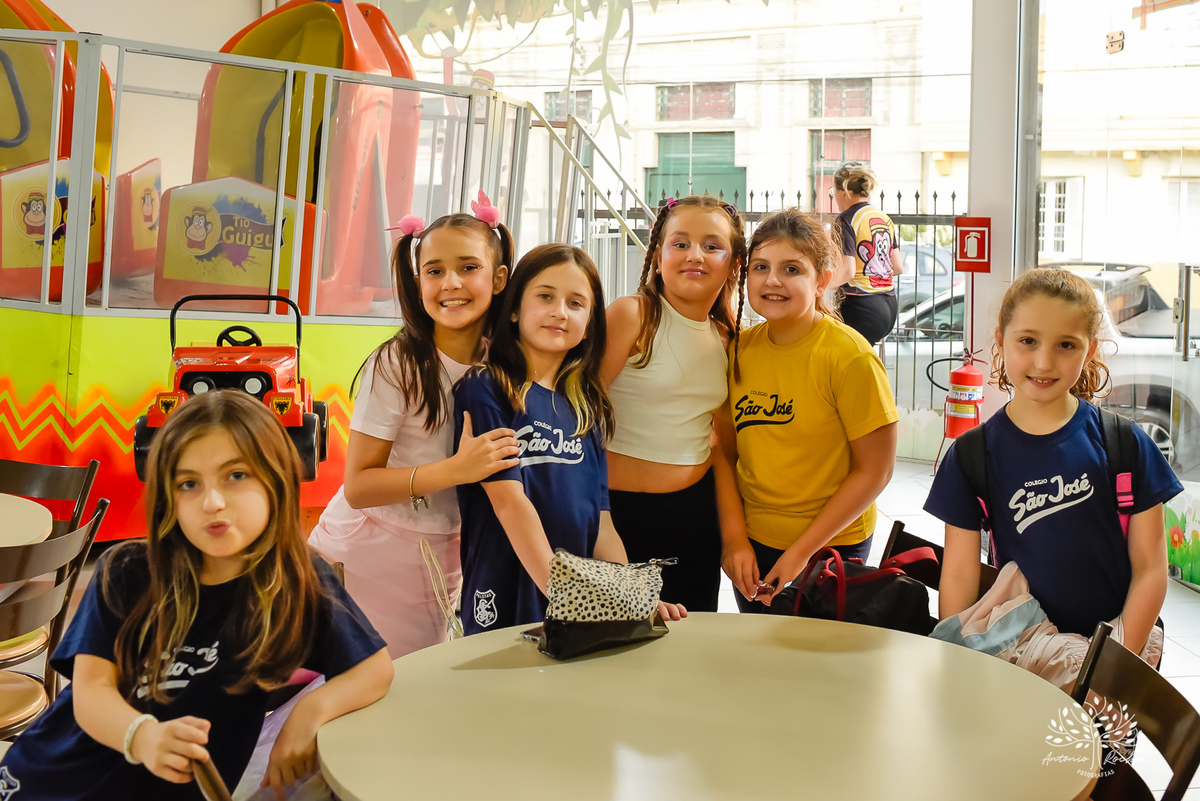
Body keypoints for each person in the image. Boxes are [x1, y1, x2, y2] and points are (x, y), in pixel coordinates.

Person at [0, 390, 392, 800]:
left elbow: (374, 669)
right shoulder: (127, 572)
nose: (212, 502)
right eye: (188, 483)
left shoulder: (299, 580)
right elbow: (89, 692)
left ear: (274, 479)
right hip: (54, 784)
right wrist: (142, 736)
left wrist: (309, 714)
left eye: (235, 475)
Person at [926, 267, 1180, 654]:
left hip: (1114, 649)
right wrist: (962, 665)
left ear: (1090, 350)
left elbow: (1150, 570)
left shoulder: (1126, 444)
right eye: (1028, 340)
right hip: (1016, 651)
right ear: (1001, 341)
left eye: (1066, 345)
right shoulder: (972, 455)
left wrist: (1109, 669)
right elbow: (959, 575)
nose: (1044, 363)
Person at [307, 206, 520, 658]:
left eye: (469, 267)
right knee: (360, 687)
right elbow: (359, 485)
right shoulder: (398, 364)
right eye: (435, 271)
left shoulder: (506, 364)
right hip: (369, 551)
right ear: (418, 280)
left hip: (447, 553)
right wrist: (456, 470)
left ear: (499, 278)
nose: (451, 283)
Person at [454, 244, 687, 634]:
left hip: (575, 603)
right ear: (513, 308)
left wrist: (630, 596)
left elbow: (602, 522)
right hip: (510, 591)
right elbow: (509, 504)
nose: (559, 311)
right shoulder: (487, 388)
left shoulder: (586, 404)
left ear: (589, 325)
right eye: (545, 296)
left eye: (576, 303)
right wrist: (567, 594)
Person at [715, 208, 899, 610]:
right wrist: (733, 542)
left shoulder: (850, 357)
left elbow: (876, 470)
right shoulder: (738, 351)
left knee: (817, 670)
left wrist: (800, 554)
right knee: (763, 665)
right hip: (755, 544)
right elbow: (724, 455)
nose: (773, 280)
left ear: (822, 280)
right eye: (760, 267)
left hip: (830, 548)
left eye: (792, 269)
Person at [601, 196, 744, 612]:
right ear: (658, 257)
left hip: (693, 522)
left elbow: (719, 447)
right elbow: (578, 422)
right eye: (680, 243)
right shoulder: (633, 315)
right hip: (615, 516)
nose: (694, 255)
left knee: (689, 658)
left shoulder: (725, 337)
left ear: (733, 264)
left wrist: (733, 539)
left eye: (712, 245)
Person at [832, 161, 903, 345]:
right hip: (889, 306)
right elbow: (897, 266)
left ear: (843, 191)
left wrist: (819, 286)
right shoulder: (883, 217)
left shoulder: (845, 220)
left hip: (860, 308)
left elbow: (847, 271)